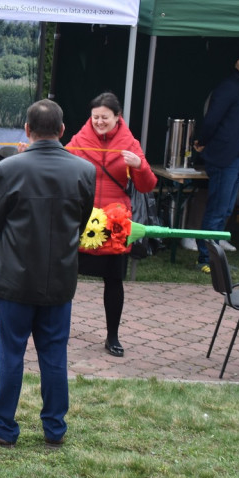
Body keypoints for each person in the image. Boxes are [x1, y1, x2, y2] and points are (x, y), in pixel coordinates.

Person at [0, 99, 95, 448]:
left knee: (11, 355)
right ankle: (55, 430)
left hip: (14, 277)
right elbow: (81, 221)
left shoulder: (9, 168)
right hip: (59, 276)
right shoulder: (84, 171)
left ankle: (5, 430)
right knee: (54, 356)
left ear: (27, 130)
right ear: (62, 130)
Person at [67, 92, 157, 358]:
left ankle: (112, 336)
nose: (99, 122)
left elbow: (148, 185)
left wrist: (139, 165)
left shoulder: (130, 143)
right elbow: (59, 164)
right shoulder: (79, 140)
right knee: (66, 277)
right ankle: (57, 331)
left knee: (114, 280)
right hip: (81, 219)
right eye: (95, 117)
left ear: (118, 118)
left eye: (105, 118)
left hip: (115, 224)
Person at [193, 43, 239, 272]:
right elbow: (212, 118)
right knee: (217, 208)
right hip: (224, 157)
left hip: (237, 157)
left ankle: (215, 257)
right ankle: (205, 258)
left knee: (224, 209)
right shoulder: (229, 87)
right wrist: (202, 140)